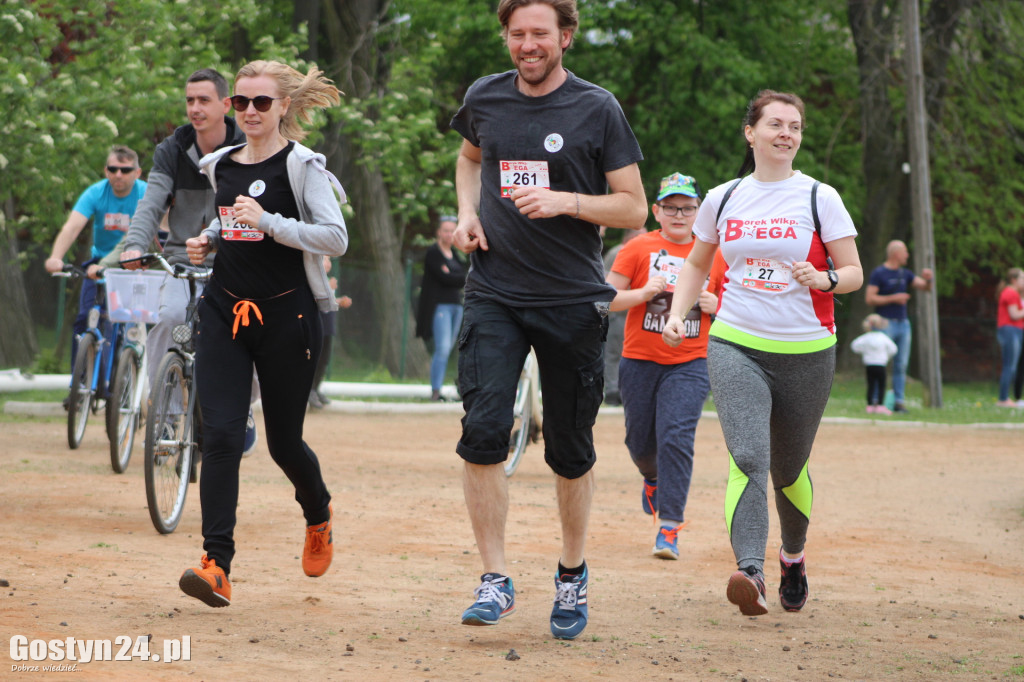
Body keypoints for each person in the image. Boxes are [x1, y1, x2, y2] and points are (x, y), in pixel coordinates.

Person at [450, 0, 646, 640]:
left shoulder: (598, 108)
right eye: (517, 34)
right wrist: (469, 212)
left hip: (570, 298)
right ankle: (495, 578)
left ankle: (571, 572)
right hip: (495, 291)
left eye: (540, 34)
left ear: (565, 37)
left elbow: (632, 209)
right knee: (482, 432)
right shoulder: (485, 96)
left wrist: (567, 200)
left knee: (569, 448)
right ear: (505, 38)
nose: (528, 45)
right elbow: (470, 157)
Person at [662, 90, 863, 616]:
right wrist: (681, 314)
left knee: (789, 468)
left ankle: (791, 556)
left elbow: (854, 273)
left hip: (807, 351)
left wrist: (826, 278)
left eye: (795, 126)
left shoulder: (821, 197)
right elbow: (696, 265)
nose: (786, 133)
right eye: (775, 123)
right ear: (750, 132)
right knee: (748, 456)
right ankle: (749, 569)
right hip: (735, 341)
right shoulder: (724, 197)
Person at [178, 60, 347, 608]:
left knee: (282, 443)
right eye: (241, 103)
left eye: (261, 103)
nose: (249, 112)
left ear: (284, 108)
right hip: (223, 313)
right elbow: (229, 219)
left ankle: (317, 513)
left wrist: (269, 220)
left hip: (288, 318)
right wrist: (206, 239)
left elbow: (335, 238)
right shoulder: (219, 165)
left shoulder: (303, 168)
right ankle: (216, 565)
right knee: (221, 435)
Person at [120, 68, 259, 454]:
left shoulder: (245, 146)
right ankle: (165, 417)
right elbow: (151, 203)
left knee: (245, 332)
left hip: (235, 258)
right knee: (167, 319)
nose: (194, 109)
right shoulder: (172, 150)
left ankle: (243, 408)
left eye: (203, 100)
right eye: (189, 101)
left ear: (225, 104)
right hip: (181, 257)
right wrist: (135, 245)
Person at [607, 172, 726, 560]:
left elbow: (743, 310)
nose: (680, 214)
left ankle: (669, 525)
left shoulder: (716, 254)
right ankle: (652, 478)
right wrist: (642, 293)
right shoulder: (638, 248)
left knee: (676, 435)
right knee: (640, 443)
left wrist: (717, 307)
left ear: (699, 212)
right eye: (671, 207)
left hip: (691, 361)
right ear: (656, 210)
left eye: (688, 208)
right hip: (640, 360)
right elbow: (605, 299)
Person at [44, 145, 146, 399]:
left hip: (133, 262)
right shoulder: (96, 192)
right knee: (84, 320)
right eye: (113, 169)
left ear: (137, 172)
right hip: (98, 264)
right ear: (105, 171)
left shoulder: (145, 193)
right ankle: (78, 384)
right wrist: (56, 257)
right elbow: (72, 227)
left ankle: (122, 380)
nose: (118, 175)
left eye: (125, 170)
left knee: (121, 325)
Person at [864, 239, 934, 413]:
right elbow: (870, 298)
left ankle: (898, 402)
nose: (907, 255)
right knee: (880, 363)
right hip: (885, 323)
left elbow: (925, 288)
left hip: (903, 324)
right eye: (904, 252)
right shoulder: (879, 273)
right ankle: (875, 401)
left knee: (901, 364)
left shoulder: (906, 274)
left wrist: (929, 279)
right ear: (896, 253)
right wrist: (893, 298)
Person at [415, 216, 467, 401]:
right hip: (440, 307)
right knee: (442, 348)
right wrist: (454, 277)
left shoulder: (456, 254)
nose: (449, 234)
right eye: (446, 230)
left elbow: (462, 276)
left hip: (456, 307)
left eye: (453, 230)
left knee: (451, 347)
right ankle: (435, 391)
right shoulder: (433, 253)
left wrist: (452, 275)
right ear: (439, 232)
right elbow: (449, 278)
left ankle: (449, 387)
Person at [601, 226, 644, 406]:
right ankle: (612, 390)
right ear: (631, 237)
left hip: (632, 307)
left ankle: (619, 390)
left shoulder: (631, 252)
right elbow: (604, 280)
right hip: (619, 310)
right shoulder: (618, 252)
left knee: (621, 352)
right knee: (614, 352)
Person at [308, 255, 352, 409]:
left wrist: (339, 301)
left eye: (328, 260)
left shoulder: (326, 281)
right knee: (316, 359)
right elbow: (314, 300)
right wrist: (329, 288)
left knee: (324, 359)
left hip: (327, 325)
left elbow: (328, 303)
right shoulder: (315, 280)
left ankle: (316, 388)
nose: (327, 263)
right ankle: (310, 390)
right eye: (323, 259)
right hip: (318, 324)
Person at [850, 314, 899, 415]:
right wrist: (886, 356)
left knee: (871, 385)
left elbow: (854, 346)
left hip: (869, 365)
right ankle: (880, 405)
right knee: (881, 385)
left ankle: (870, 406)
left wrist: (864, 352)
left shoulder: (865, 338)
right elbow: (894, 349)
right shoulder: (883, 338)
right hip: (881, 364)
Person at [995, 267, 1024, 407]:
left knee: (1011, 366)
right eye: (1022, 278)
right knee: (1009, 366)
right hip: (1010, 331)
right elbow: (1014, 315)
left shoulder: (1015, 294)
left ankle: (1005, 398)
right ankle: (1003, 399)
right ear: (1013, 280)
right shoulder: (1010, 293)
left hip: (1015, 331)